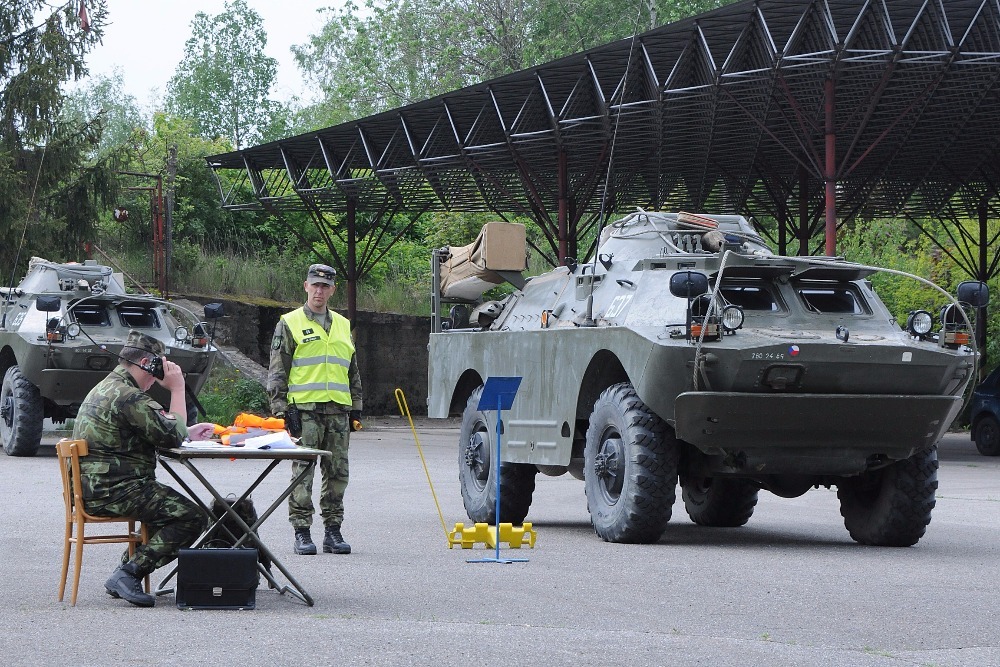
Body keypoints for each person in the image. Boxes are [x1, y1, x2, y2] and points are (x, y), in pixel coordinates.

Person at [72, 330, 216, 607]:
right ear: (148, 365)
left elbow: (162, 431)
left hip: (99, 487)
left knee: (166, 511)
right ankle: (129, 572)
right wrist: (176, 389)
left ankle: (126, 572)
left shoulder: (107, 387)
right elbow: (171, 436)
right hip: (117, 491)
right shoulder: (129, 397)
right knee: (192, 517)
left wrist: (186, 431)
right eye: (158, 368)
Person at [268, 263, 363, 556]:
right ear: (306, 286)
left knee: (337, 473)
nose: (319, 290)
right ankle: (302, 531)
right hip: (304, 411)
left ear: (332, 290)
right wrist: (280, 409)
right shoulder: (290, 322)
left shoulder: (344, 325)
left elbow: (352, 370)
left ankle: (333, 532)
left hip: (337, 410)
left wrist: (356, 408)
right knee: (303, 472)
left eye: (325, 286)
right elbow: (277, 369)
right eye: (315, 285)